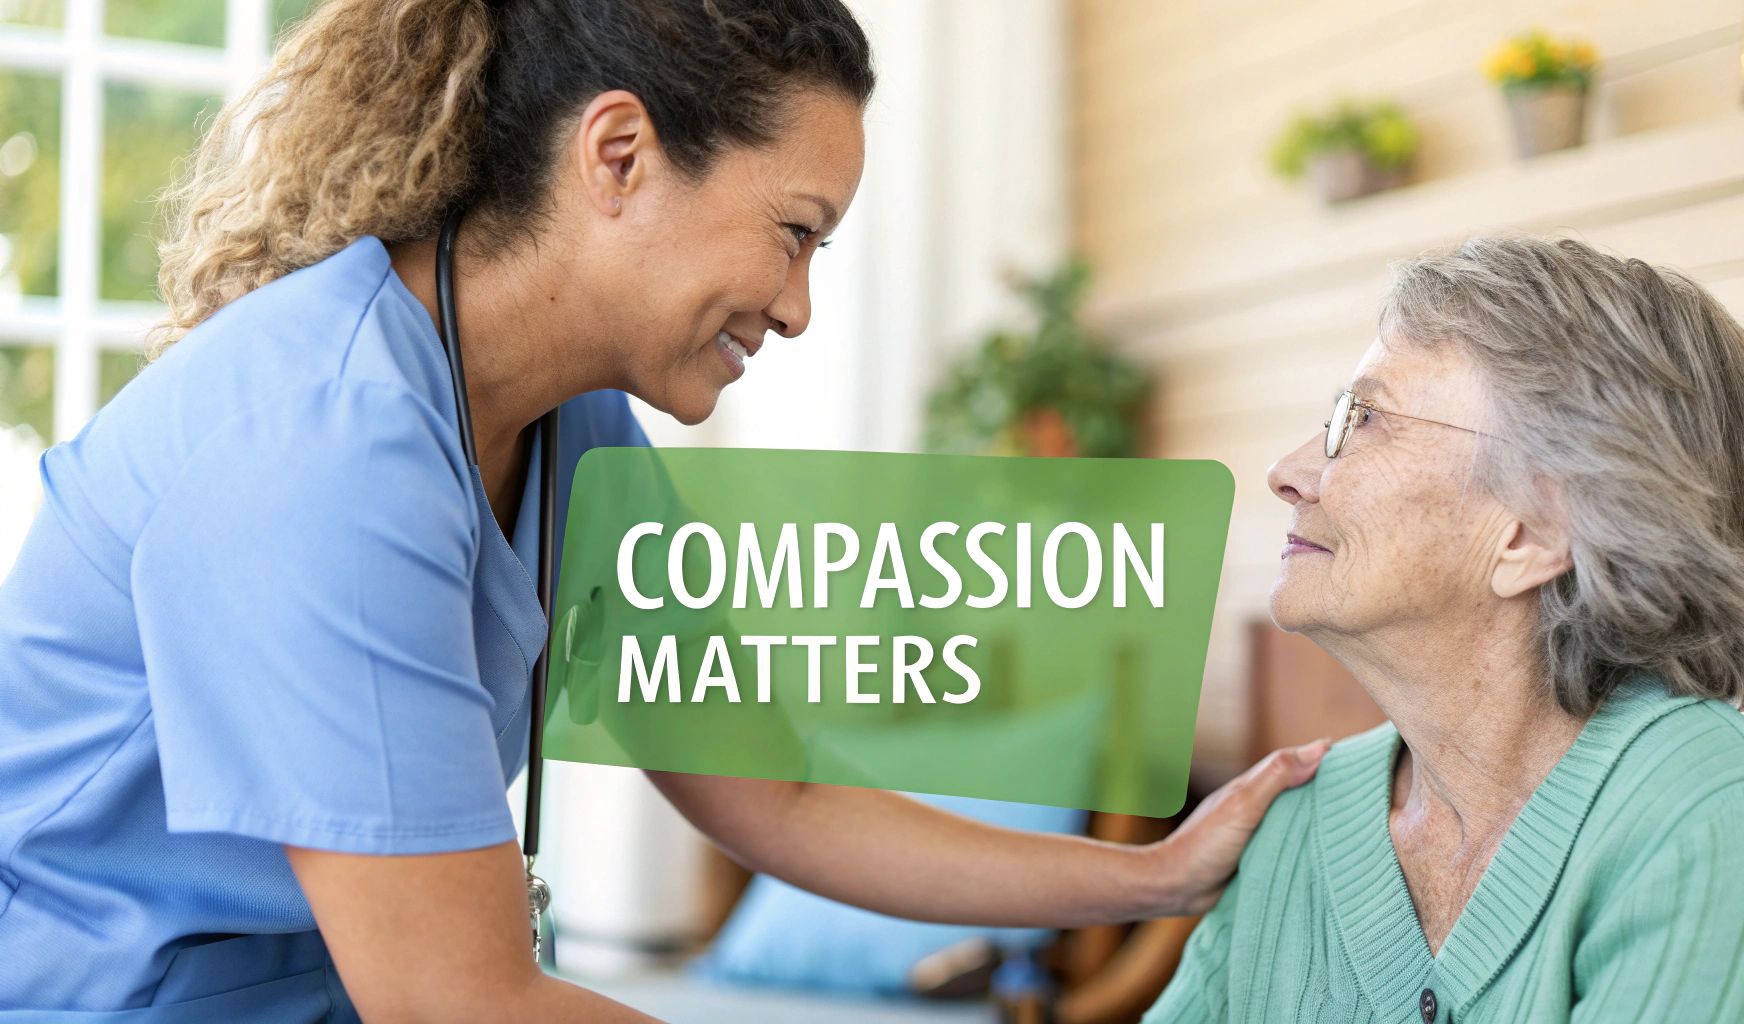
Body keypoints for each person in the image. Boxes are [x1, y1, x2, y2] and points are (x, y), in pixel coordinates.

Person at [0, 1, 1320, 1019]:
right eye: (793, 232)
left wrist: (1157, 874)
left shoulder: (573, 427)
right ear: (619, 153)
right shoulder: (315, 443)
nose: (798, 305)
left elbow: (779, 800)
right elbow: (458, 1001)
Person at [1146, 236, 1744, 1023]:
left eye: (1361, 420)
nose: (1288, 471)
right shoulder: (1295, 818)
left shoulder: (1710, 814)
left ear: (1532, 533)